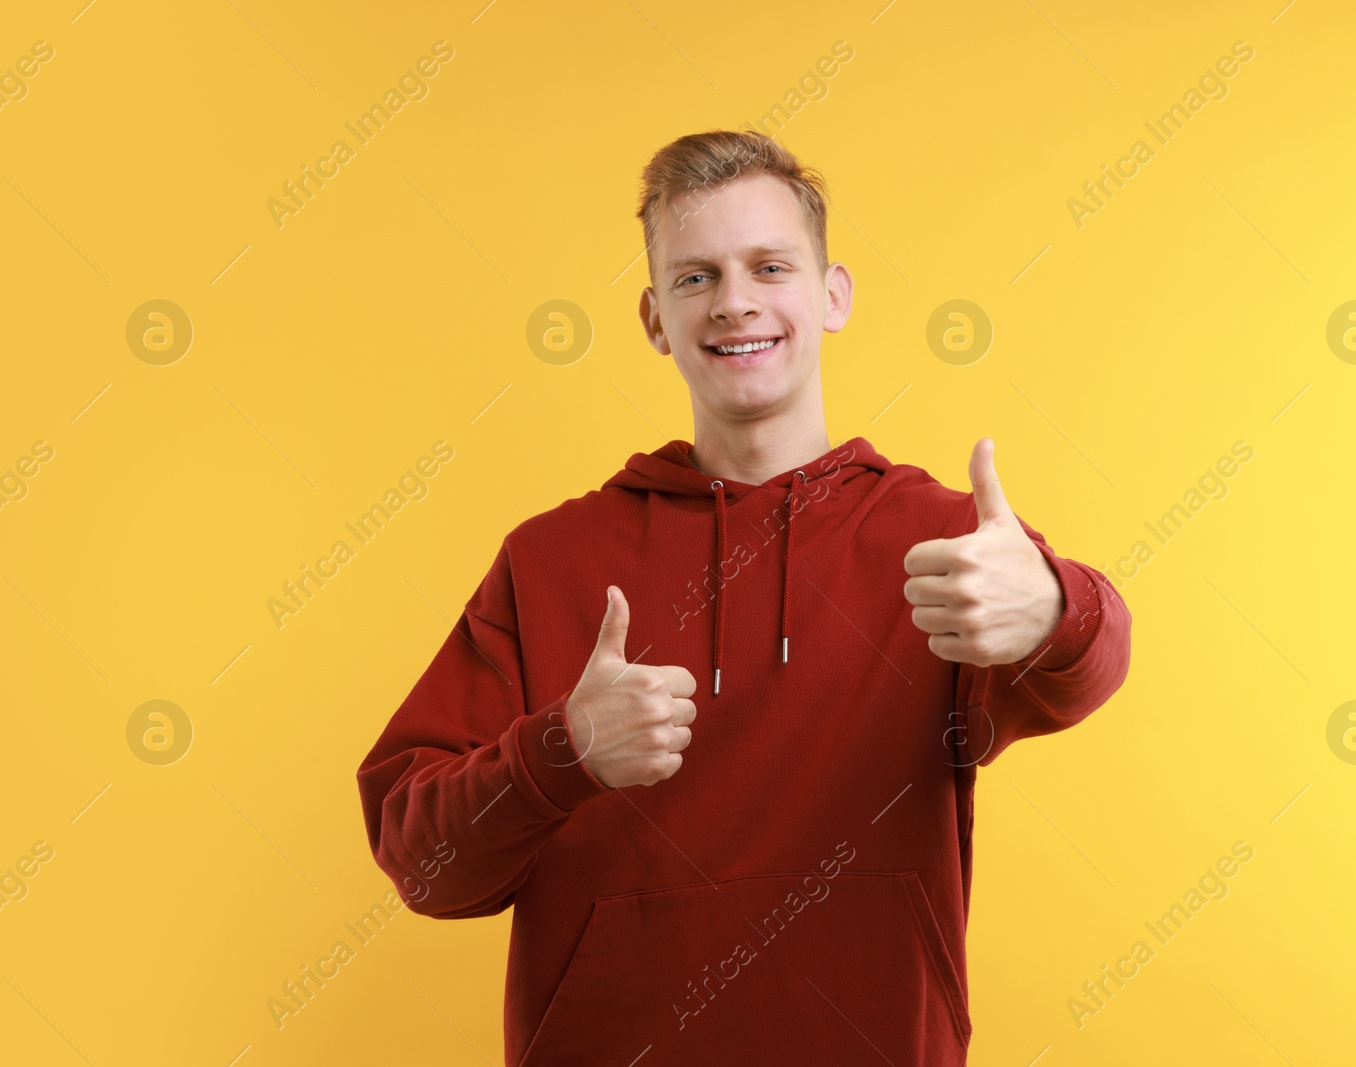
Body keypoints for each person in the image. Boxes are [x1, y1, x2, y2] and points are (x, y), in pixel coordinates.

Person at [356, 129, 1131, 1065]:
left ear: (832, 295)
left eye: (769, 266)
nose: (734, 303)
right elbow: (424, 864)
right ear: (653, 318)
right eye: (696, 278)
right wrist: (563, 750)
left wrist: (1053, 607)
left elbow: (1086, 667)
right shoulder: (550, 559)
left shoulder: (947, 543)